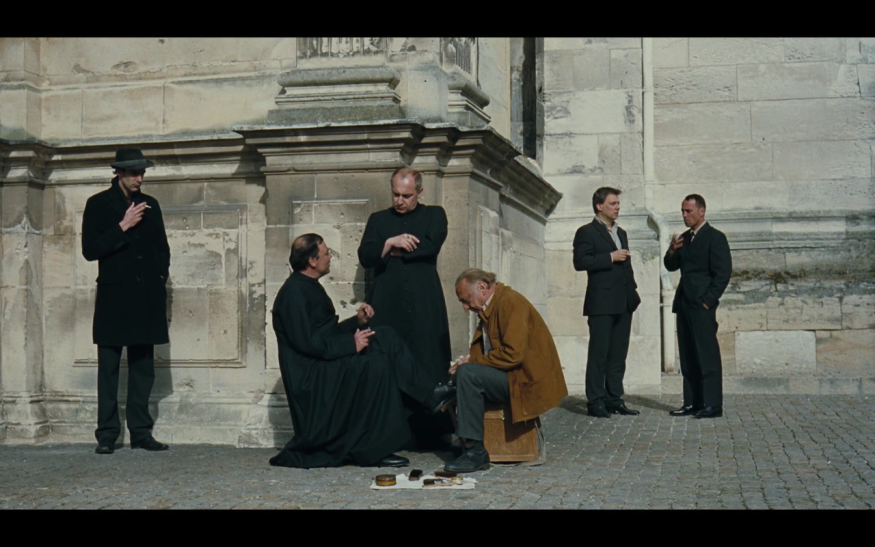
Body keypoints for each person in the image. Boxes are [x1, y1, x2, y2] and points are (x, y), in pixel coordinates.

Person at [269, 233, 456, 469]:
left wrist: (357, 323)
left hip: (323, 362)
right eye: (326, 253)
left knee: (384, 335)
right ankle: (374, 449)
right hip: (311, 376)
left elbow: (325, 333)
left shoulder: (308, 286)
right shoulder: (294, 293)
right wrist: (351, 344)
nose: (330, 257)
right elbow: (308, 343)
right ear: (312, 261)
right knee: (376, 364)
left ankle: (431, 395)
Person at [81, 148, 170, 454]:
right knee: (108, 368)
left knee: (143, 368)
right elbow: (90, 250)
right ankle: (107, 435)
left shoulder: (151, 205)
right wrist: (122, 226)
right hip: (114, 297)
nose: (139, 178)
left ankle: (141, 433)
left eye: (142, 173)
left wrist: (161, 275)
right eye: (133, 173)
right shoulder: (97, 204)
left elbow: (162, 247)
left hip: (146, 297)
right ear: (118, 172)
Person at [357, 167, 453, 441]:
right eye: (396, 194)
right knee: (388, 361)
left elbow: (430, 246)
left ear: (419, 193)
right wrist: (390, 241)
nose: (400, 201)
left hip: (424, 300)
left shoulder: (434, 214)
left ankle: (434, 433)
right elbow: (366, 255)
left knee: (428, 357)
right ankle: (393, 434)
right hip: (388, 300)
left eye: (406, 196)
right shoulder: (378, 219)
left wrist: (388, 251)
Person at [445, 269, 568, 473]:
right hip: (513, 377)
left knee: (468, 374)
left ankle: (475, 452)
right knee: (463, 372)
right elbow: (491, 352)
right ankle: (462, 436)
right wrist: (466, 361)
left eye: (466, 300)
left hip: (524, 381)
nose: (465, 307)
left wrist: (472, 363)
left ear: (482, 287)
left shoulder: (510, 302)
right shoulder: (493, 306)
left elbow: (512, 355)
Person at [572, 187, 641, 418]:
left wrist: (633, 292)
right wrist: (610, 257)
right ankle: (595, 401)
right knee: (599, 354)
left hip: (624, 301)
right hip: (601, 302)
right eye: (613, 203)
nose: (617, 207)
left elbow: (627, 265)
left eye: (618, 203)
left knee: (618, 355)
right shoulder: (586, 232)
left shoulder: (621, 233)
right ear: (599, 206)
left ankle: (614, 399)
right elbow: (581, 261)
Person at [664, 194, 732, 419]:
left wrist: (707, 301)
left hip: (702, 305)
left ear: (702, 211)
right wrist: (672, 250)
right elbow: (670, 266)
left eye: (689, 211)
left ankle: (712, 404)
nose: (684, 215)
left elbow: (722, 274)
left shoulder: (715, 238)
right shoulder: (684, 238)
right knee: (688, 355)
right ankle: (692, 402)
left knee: (707, 355)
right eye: (682, 211)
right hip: (684, 303)